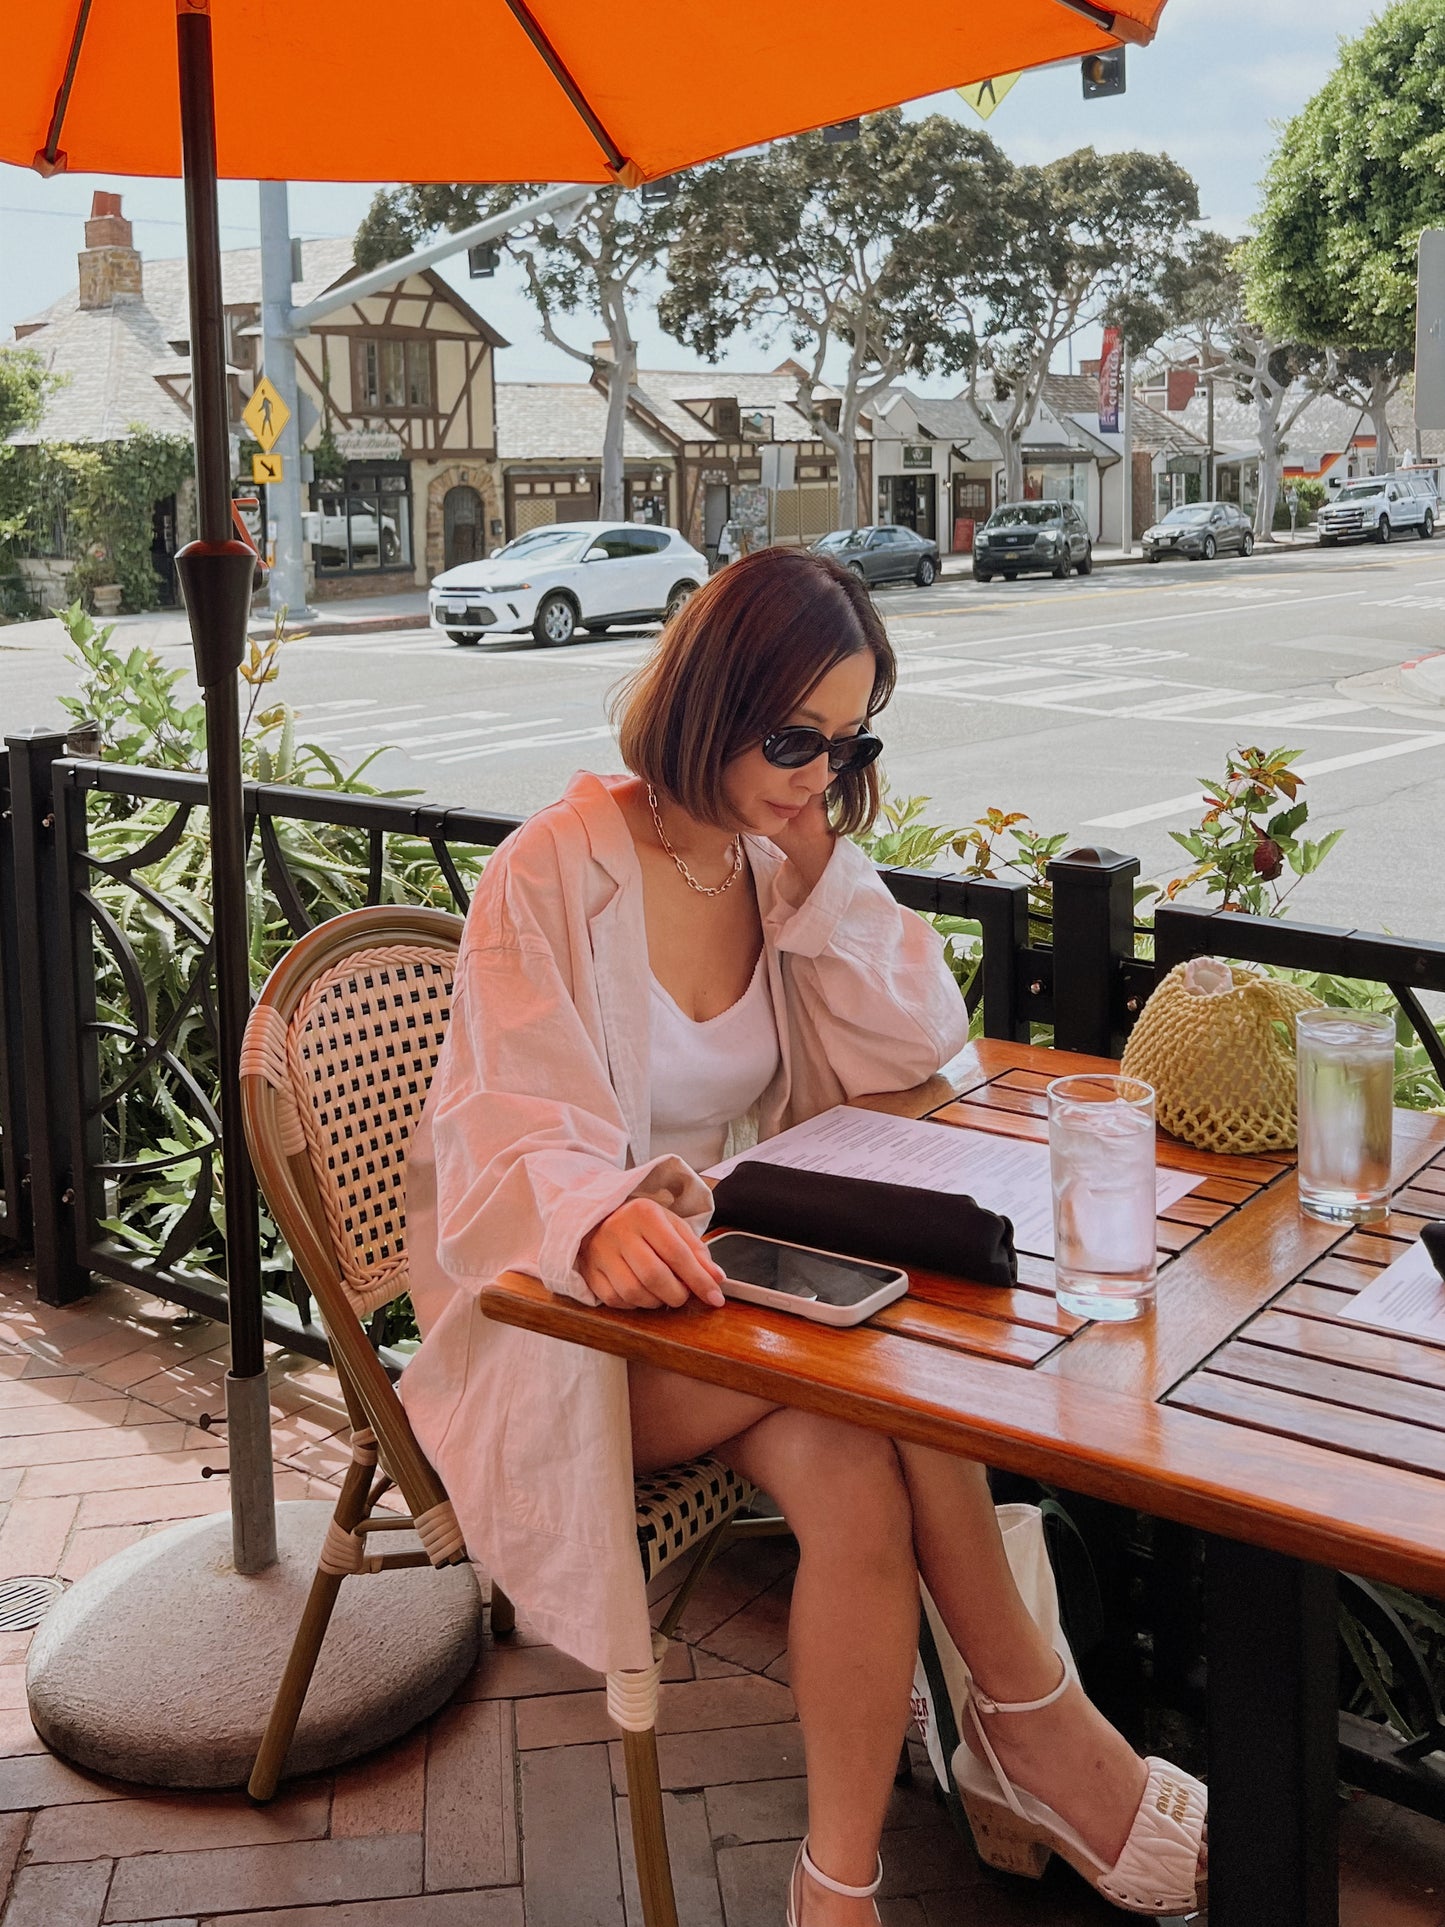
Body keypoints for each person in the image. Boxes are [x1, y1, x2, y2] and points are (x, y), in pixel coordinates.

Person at [399, 548, 1206, 1926]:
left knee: (848, 1461)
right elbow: (498, 1118)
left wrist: (818, 860)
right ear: (709, 699)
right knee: (894, 1359)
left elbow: (922, 1040)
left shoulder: (776, 864)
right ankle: (1031, 1722)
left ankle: (835, 1888)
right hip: (580, 1317)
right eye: (791, 739)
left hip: (743, 1293)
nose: (815, 773)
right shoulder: (555, 869)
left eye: (846, 745)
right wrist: (596, 1217)